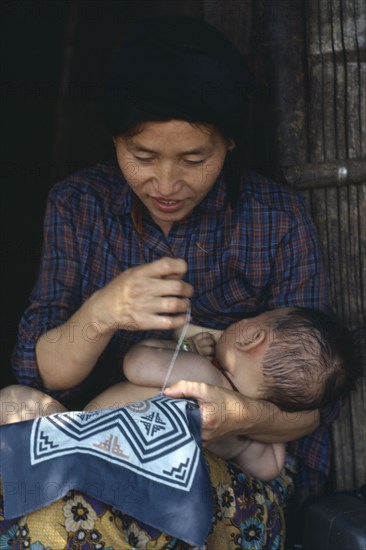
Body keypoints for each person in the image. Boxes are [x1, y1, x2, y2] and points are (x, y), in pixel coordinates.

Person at [0, 14, 339, 547]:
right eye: (142, 156)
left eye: (193, 159)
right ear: (114, 140)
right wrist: (103, 312)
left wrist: (237, 415)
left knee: (79, 514)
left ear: (228, 142)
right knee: (18, 415)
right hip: (85, 439)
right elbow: (46, 374)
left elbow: (311, 407)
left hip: (215, 470)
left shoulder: (276, 218)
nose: (166, 183)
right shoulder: (78, 205)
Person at [97, 306, 357, 482]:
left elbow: (135, 363)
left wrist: (183, 348)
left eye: (249, 320)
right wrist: (275, 402)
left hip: (94, 436)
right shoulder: (241, 436)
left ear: (251, 338)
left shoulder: (202, 374)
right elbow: (271, 468)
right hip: (139, 478)